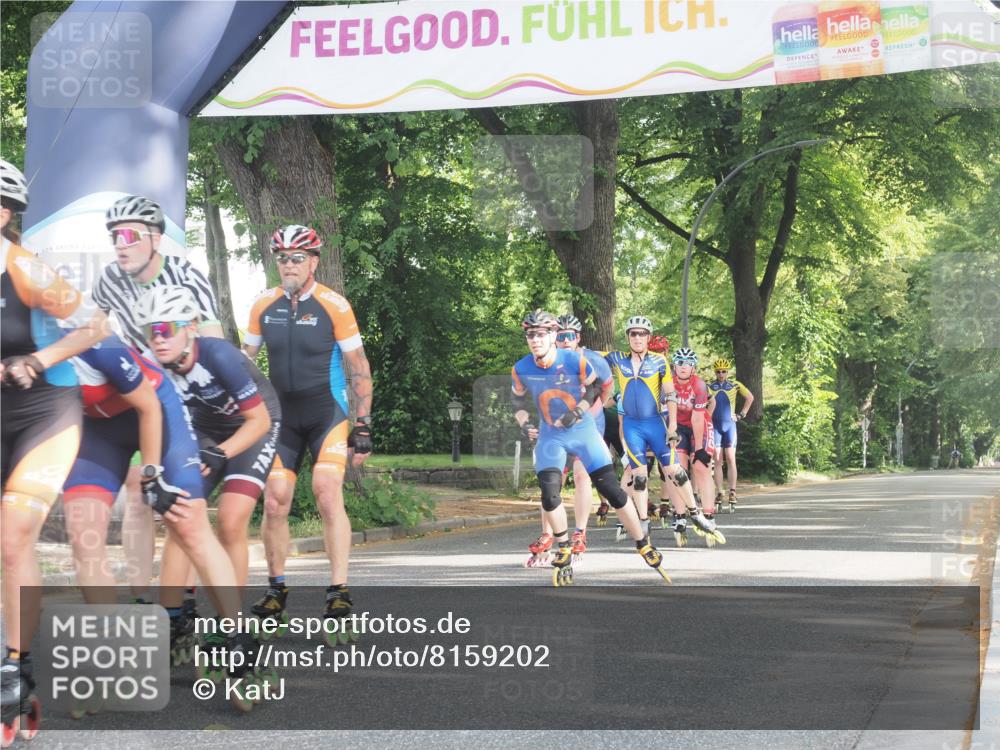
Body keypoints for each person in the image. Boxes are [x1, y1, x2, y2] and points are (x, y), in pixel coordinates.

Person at [1, 159, 109, 743]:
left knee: (14, 534)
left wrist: (38, 360)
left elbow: (97, 326)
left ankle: (15, 671)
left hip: (46, 410)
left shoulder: (24, 269)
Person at [91, 195, 224, 607]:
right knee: (139, 490)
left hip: (187, 398)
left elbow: (215, 343)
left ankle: (182, 597)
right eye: (114, 235)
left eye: (129, 234)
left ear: (155, 239)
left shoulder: (186, 275)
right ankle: (141, 596)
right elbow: (91, 331)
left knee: (182, 506)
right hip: (141, 395)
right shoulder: (110, 278)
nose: (119, 243)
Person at [243, 225, 373, 636]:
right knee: (276, 500)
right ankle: (276, 589)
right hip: (280, 417)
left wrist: (364, 425)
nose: (289, 264)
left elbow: (360, 369)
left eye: (297, 257)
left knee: (326, 490)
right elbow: (245, 361)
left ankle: (338, 590)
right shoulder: (263, 304)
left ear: (314, 261)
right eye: (282, 257)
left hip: (326, 414)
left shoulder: (334, 305)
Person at [61, 332, 205, 669]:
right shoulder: (18, 358)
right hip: (98, 432)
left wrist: (153, 475)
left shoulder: (96, 342)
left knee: (183, 517)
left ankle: (219, 629)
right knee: (83, 532)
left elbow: (149, 407)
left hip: (154, 408)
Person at [512, 310, 669, 586]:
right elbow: (517, 403)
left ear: (552, 336)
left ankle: (643, 544)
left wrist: (578, 411)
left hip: (583, 432)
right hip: (552, 435)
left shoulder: (575, 360)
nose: (535, 340)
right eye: (530, 335)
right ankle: (563, 548)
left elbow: (596, 388)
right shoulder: (522, 368)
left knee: (611, 490)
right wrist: (525, 425)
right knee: (549, 493)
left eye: (541, 334)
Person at [604, 316, 719, 548]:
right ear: (627, 337)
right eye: (633, 333)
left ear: (648, 337)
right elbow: (585, 355)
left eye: (642, 333)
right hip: (632, 426)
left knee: (676, 472)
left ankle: (695, 514)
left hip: (656, 424)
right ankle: (644, 522)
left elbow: (669, 394)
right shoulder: (617, 359)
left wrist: (673, 426)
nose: (637, 338)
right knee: (640, 476)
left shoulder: (659, 362)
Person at [525, 314, 612, 565]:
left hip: (588, 424)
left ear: (578, 338)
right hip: (556, 428)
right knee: (552, 479)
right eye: (559, 336)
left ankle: (579, 533)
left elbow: (606, 389)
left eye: (569, 336)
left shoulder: (593, 360)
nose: (564, 341)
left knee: (583, 474)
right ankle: (547, 534)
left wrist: (588, 416)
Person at [671, 348, 725, 547]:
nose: (684, 366)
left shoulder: (699, 385)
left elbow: (697, 418)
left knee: (701, 467)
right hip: (677, 426)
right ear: (674, 364)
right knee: (677, 471)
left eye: (688, 363)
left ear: (693, 366)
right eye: (680, 362)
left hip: (700, 424)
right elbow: (666, 414)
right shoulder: (668, 385)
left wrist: (700, 449)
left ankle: (709, 515)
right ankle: (679, 516)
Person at [708, 358, 754, 512]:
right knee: (717, 460)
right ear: (715, 372)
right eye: (718, 371)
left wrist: (741, 414)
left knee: (731, 458)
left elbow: (750, 397)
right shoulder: (709, 386)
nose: (721, 374)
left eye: (724, 371)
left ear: (728, 372)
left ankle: (732, 492)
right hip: (715, 427)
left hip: (730, 426)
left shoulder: (735, 385)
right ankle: (720, 491)